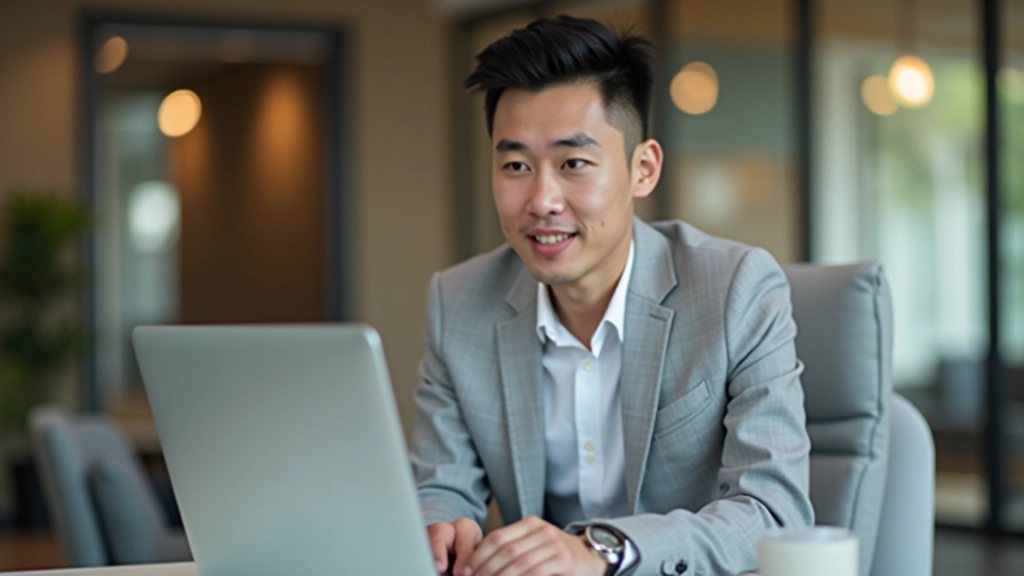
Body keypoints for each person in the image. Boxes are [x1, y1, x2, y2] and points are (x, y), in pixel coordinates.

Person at [410, 15, 814, 576]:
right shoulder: (458, 303)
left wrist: (601, 549)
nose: (543, 199)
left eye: (573, 163)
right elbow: (442, 485)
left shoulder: (736, 290)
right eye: (516, 165)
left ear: (642, 169)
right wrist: (440, 525)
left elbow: (776, 513)